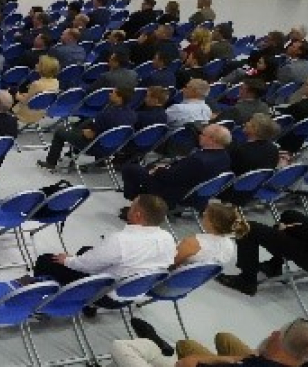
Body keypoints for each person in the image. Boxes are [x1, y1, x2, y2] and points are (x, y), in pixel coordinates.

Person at [77, 319, 308, 367]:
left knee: (123, 348)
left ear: (279, 342)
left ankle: (153, 343)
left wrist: (233, 359)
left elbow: (185, 364)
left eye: (278, 333)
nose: (273, 333)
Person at [32, 195, 175, 307]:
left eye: (131, 207)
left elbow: (86, 265)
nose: (128, 208)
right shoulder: (168, 239)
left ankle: (40, 300)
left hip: (105, 295)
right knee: (86, 250)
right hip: (134, 292)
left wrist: (67, 260)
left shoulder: (121, 240)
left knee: (47, 261)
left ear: (137, 215)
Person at [217, 202, 308, 296]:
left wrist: (288, 228)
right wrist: (296, 225)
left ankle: (247, 281)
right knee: (290, 215)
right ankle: (275, 266)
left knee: (249, 229)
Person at [121, 123, 232, 208]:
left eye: (202, 134)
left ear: (212, 140)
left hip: (172, 193)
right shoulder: (225, 157)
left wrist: (158, 170)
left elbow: (170, 178)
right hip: (195, 194)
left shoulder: (198, 160)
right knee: (149, 168)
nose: (199, 136)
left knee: (130, 169)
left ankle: (140, 205)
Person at [39, 86, 136, 169]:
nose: (110, 94)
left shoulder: (106, 115)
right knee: (87, 123)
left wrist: (82, 131)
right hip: (113, 148)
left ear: (120, 98)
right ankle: (72, 156)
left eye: (113, 93)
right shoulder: (133, 115)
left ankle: (51, 163)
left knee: (60, 131)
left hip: (96, 147)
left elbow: (89, 135)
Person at [173, 201, 246, 269]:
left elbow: (171, 264)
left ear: (213, 223)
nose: (203, 213)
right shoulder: (230, 245)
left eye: (206, 214)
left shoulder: (192, 243)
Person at [14, 55, 60, 124]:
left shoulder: (37, 84)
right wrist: (26, 95)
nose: (36, 65)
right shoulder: (56, 82)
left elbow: (25, 101)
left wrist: (16, 94)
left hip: (28, 114)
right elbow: (36, 97)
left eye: (38, 63)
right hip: (43, 112)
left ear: (43, 68)